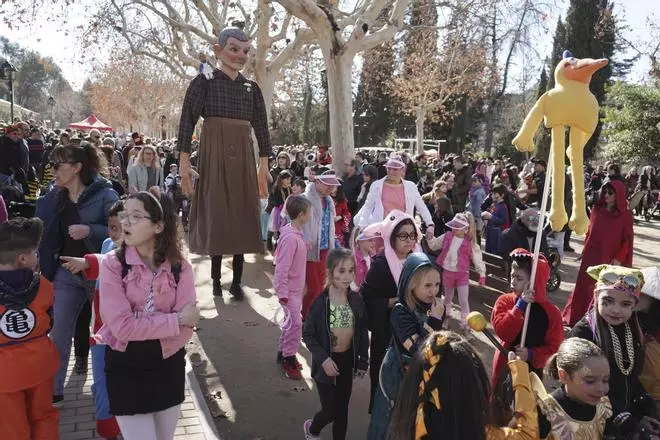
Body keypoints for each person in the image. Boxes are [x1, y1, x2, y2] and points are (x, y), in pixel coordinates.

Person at [95, 191, 200, 439]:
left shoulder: (180, 267)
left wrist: (144, 325)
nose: (126, 222)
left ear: (158, 226)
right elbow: (122, 327)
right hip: (125, 366)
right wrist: (174, 320)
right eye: (124, 215)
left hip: (168, 363)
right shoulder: (112, 264)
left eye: (136, 216)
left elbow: (189, 325)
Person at [177, 27, 271, 301]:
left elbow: (262, 129)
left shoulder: (251, 89)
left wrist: (263, 164)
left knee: (242, 215)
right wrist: (183, 161)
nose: (240, 55)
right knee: (218, 215)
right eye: (234, 49)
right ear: (218, 51)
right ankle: (216, 281)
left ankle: (236, 282)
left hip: (243, 157)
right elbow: (186, 121)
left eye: (245, 51)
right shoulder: (203, 83)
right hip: (214, 156)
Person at [35, 142, 119, 406]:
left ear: (77, 167)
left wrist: (90, 230)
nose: (53, 171)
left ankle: (106, 392)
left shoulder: (106, 194)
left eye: (58, 165)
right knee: (58, 332)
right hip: (65, 275)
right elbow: (44, 234)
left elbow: (123, 231)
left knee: (106, 334)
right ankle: (55, 390)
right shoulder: (52, 195)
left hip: (100, 275)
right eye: (51, 165)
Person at [387, 331, 538, 440]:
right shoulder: (483, 434)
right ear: (472, 387)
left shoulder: (408, 425)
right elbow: (527, 435)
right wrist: (519, 372)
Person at [569, 265, 660, 439]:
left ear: (635, 305)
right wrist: (624, 420)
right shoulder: (584, 333)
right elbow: (582, 388)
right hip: (589, 418)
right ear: (596, 297)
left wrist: (642, 408)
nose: (616, 309)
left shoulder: (632, 329)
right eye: (607, 301)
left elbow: (629, 377)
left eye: (625, 304)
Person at [60, 200, 125, 440]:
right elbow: (104, 262)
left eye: (122, 227)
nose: (116, 233)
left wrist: (88, 262)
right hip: (100, 331)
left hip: (126, 336)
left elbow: (108, 264)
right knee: (101, 387)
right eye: (112, 226)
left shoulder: (138, 254)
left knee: (120, 388)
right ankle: (108, 431)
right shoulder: (107, 244)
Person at [367, 253, 446, 439]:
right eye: (427, 285)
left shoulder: (430, 307)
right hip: (397, 377)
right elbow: (419, 349)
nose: (433, 291)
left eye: (437, 285)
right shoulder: (400, 312)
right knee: (390, 419)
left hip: (418, 377)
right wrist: (435, 321)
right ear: (411, 284)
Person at [0, 217, 59, 440]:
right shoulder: (43, 285)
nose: (38, 257)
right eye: (35, 253)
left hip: (4, 373)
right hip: (40, 365)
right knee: (44, 417)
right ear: (23, 259)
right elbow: (49, 321)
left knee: (11, 426)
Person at [302, 248, 369, 440]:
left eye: (351, 270)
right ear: (330, 272)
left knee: (342, 411)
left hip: (347, 361)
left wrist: (363, 360)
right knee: (330, 411)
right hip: (326, 365)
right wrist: (323, 359)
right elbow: (308, 334)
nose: (347, 276)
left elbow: (362, 332)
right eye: (341, 271)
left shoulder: (356, 300)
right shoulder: (320, 303)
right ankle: (312, 428)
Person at [360, 210, 420, 412]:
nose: (409, 240)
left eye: (412, 235)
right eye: (403, 235)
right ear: (391, 237)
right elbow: (365, 298)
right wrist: (393, 301)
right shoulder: (381, 265)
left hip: (412, 331)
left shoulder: (418, 261)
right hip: (386, 333)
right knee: (384, 378)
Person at [562, 181, 633, 326]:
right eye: (604, 191)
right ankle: (576, 316)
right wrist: (585, 248)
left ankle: (594, 321)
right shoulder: (596, 209)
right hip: (591, 255)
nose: (606, 195)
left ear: (618, 195)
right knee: (583, 285)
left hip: (608, 257)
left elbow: (627, 240)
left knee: (601, 288)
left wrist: (619, 258)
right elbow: (590, 231)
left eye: (610, 193)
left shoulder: (625, 216)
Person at [490, 249, 563, 389]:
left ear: (533, 282)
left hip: (532, 375)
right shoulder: (504, 301)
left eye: (519, 278)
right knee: (499, 405)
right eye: (512, 276)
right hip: (504, 366)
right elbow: (503, 332)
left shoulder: (552, 314)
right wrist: (519, 307)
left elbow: (555, 349)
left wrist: (532, 354)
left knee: (526, 407)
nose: (513, 282)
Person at [534, 338, 612, 440]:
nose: (601, 388)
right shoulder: (546, 411)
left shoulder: (602, 407)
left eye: (605, 380)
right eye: (590, 381)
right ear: (564, 376)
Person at [274, 195, 311, 380]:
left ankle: (283, 353)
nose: (310, 215)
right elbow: (282, 267)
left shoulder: (295, 233)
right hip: (288, 292)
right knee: (295, 325)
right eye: (309, 212)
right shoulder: (290, 238)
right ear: (301, 215)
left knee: (290, 325)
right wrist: (283, 293)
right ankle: (289, 357)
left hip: (295, 290)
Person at [427, 213, 486, 328]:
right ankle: (446, 317)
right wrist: (430, 239)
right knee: (447, 298)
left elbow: (478, 258)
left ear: (466, 229)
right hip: (448, 272)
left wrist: (482, 274)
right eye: (454, 225)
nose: (454, 228)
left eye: (458, 227)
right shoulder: (447, 236)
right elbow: (434, 245)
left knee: (463, 301)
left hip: (462, 274)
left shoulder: (470, 242)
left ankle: (466, 324)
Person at [354, 156, 433, 235]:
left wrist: (430, 224)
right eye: (389, 168)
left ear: (402, 169)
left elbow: (421, 206)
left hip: (404, 232)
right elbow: (368, 206)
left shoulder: (411, 187)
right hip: (382, 231)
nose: (391, 172)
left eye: (395, 169)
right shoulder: (376, 185)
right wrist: (362, 225)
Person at [301, 172, 341, 319]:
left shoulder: (329, 201)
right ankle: (306, 317)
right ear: (317, 181)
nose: (330, 188)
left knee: (324, 288)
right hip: (310, 252)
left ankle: (314, 318)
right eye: (327, 184)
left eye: (332, 185)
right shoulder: (305, 200)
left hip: (326, 250)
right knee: (314, 289)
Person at [638, 267, 660, 415]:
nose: (637, 295)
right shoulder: (633, 319)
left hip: (651, 399)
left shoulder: (653, 342)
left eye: (643, 293)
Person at [265, 170, 293, 252]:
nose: (289, 181)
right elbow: (273, 201)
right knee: (274, 228)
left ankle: (279, 247)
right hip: (277, 212)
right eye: (287, 179)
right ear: (281, 180)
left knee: (282, 230)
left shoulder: (289, 189)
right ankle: (269, 240)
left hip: (286, 212)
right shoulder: (276, 189)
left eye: (289, 179)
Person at [482, 184, 511, 254]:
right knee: (487, 251)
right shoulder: (493, 205)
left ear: (502, 195)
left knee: (494, 252)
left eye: (495, 194)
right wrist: (485, 219)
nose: (493, 195)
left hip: (497, 234)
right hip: (490, 232)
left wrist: (491, 217)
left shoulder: (503, 207)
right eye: (492, 193)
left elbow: (503, 221)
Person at [349, 224, 379, 291]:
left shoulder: (373, 258)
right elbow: (349, 277)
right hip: (357, 294)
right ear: (360, 241)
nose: (373, 243)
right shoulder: (353, 258)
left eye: (374, 240)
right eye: (370, 240)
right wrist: (354, 289)